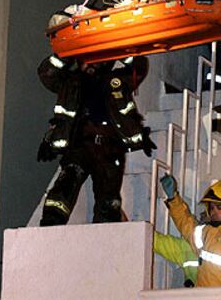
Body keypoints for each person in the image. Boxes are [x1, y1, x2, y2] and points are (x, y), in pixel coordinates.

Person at [37, 54, 156, 225]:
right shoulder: (70, 82)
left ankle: (105, 240)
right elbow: (46, 72)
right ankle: (49, 227)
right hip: (80, 146)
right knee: (65, 186)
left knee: (109, 202)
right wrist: (68, 53)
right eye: (88, 58)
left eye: (98, 58)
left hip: (110, 149)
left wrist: (119, 49)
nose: (93, 63)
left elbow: (140, 66)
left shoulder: (118, 81)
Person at [159, 175, 221, 287]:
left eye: (219, 207)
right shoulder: (206, 233)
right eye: (211, 207)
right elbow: (186, 224)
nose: (214, 212)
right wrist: (173, 199)